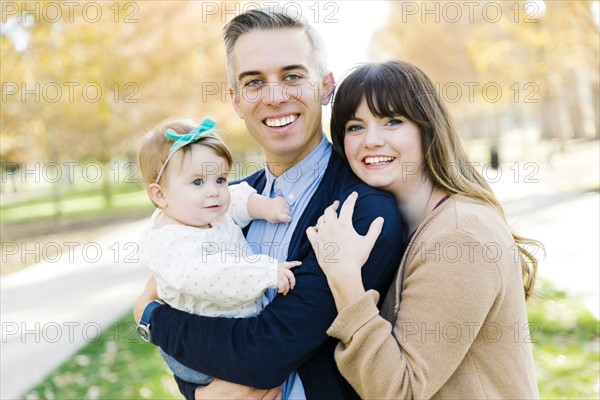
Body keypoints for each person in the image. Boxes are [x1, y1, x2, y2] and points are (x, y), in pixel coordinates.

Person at [133, 8, 407, 400]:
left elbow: (264, 353)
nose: (275, 97)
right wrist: (200, 393)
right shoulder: (222, 203)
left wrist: (150, 318)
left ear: (326, 86)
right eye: (254, 82)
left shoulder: (361, 212)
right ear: (236, 100)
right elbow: (187, 303)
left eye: (293, 76)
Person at [306, 60, 542, 399]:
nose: (371, 140)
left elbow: (401, 392)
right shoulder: (411, 226)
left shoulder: (460, 236)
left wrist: (345, 280)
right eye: (355, 127)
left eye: (392, 121)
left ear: (426, 128)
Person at [137, 117, 301, 386]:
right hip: (200, 356)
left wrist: (263, 207)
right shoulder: (172, 241)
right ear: (160, 195)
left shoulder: (201, 212)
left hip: (227, 336)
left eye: (220, 179)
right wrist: (266, 272)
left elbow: (234, 198)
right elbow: (213, 277)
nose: (214, 192)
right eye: (198, 182)